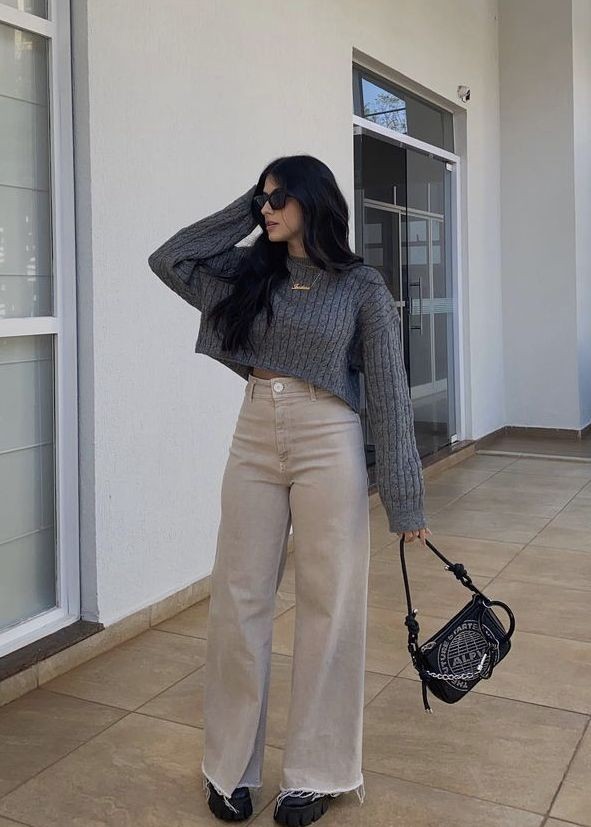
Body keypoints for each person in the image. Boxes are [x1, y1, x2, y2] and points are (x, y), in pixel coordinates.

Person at [147, 154, 431, 825]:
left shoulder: (359, 286)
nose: (267, 209)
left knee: (329, 602)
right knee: (238, 597)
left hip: (327, 433)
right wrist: (246, 208)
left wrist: (405, 496)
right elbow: (170, 259)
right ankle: (228, 768)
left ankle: (316, 773)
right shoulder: (249, 272)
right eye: (262, 199)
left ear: (313, 201)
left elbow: (388, 392)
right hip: (254, 428)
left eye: (278, 198)